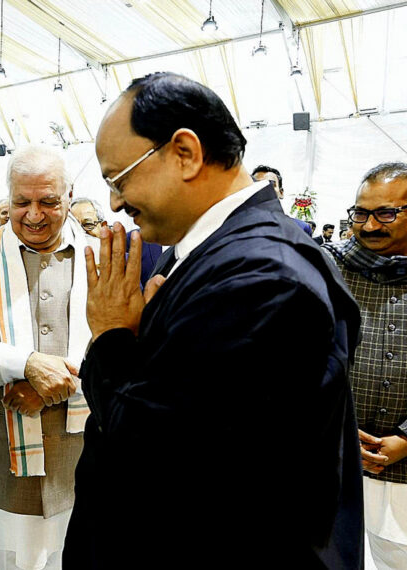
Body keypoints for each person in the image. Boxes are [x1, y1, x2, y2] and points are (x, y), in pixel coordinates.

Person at [62, 72, 364, 569]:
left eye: (118, 178)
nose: (114, 202)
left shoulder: (262, 279)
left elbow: (153, 451)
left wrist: (112, 336)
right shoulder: (213, 250)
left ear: (185, 153)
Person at [0, 145, 93, 570]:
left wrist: (53, 390)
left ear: (69, 196)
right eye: (22, 202)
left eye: (48, 202)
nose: (34, 214)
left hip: (81, 453)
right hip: (1, 450)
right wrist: (25, 365)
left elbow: (119, 345)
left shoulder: (98, 255)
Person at [323, 163, 407, 570]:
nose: (369, 226)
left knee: (406, 561)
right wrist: (338, 426)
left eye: (385, 213)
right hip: (333, 449)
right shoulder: (330, 266)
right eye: (360, 213)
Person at [251, 164, 313, 236]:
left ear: (281, 192)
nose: (262, 188)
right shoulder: (238, 226)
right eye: (257, 184)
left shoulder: (300, 228)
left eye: (269, 184)